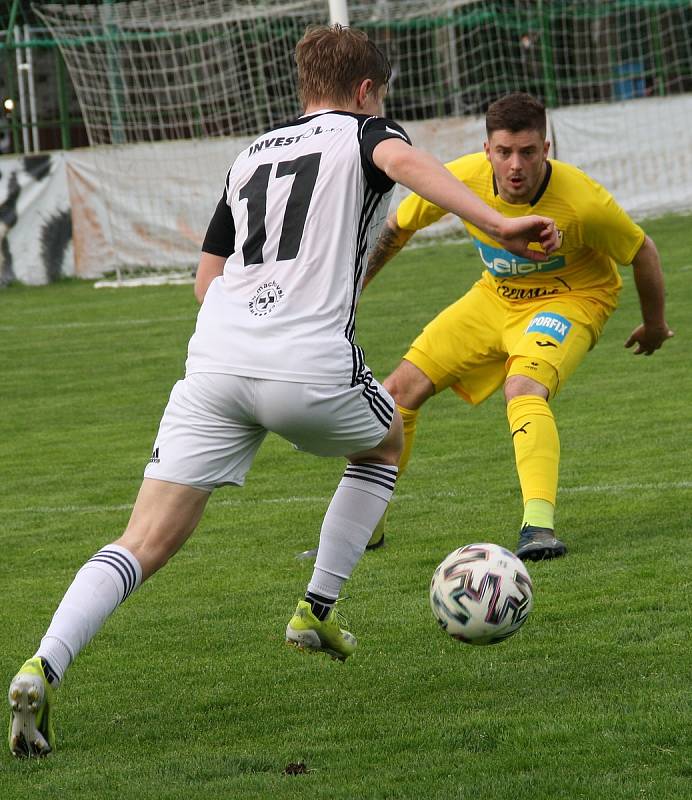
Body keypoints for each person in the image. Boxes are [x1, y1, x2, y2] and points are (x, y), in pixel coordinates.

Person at [7, 31, 559, 758]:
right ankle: (317, 607)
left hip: (215, 363)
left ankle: (43, 662)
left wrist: (248, 326)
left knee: (141, 541)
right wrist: (497, 222)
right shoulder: (367, 132)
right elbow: (405, 162)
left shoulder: (248, 157)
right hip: (306, 364)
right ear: (366, 91)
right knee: (387, 437)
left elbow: (206, 279)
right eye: (381, 98)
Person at [361, 91, 673, 561]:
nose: (515, 165)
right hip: (495, 296)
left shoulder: (582, 202)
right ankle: (366, 532)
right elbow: (399, 225)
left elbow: (642, 251)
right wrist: (352, 290)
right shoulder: (462, 178)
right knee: (397, 391)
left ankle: (539, 529)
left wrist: (654, 325)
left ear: (546, 150)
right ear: (487, 151)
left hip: (572, 299)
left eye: (528, 152)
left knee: (523, 388)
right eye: (504, 152)